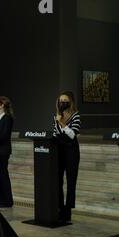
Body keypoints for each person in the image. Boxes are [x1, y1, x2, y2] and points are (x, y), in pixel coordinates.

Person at [53, 91, 81, 222]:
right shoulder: (57, 116)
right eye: (60, 100)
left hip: (71, 151)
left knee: (71, 181)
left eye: (65, 100)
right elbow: (55, 134)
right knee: (57, 180)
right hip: (59, 151)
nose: (62, 103)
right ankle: (58, 207)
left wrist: (62, 123)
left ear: (70, 102)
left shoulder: (76, 116)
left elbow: (72, 134)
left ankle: (67, 211)